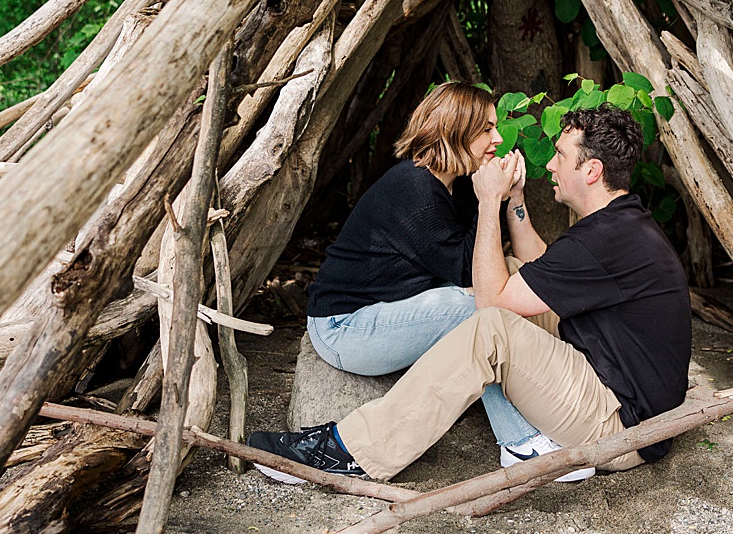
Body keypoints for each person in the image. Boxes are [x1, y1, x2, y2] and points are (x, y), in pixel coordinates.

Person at [247, 103, 692, 482]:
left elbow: (489, 305)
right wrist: (514, 201)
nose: (550, 165)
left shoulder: (607, 238)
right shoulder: (619, 225)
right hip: (616, 391)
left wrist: (486, 204)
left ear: (591, 171)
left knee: (490, 326)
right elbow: (537, 269)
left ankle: (354, 451)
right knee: (517, 275)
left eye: (559, 155)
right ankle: (525, 442)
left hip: (623, 427)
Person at [293, 82, 577, 480]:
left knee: (513, 274)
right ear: (455, 130)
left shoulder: (454, 183)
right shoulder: (413, 188)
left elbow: (490, 267)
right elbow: (469, 275)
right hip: (345, 328)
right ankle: (520, 441)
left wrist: (511, 197)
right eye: (486, 130)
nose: (498, 139)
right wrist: (488, 200)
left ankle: (556, 385)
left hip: (396, 309)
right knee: (475, 312)